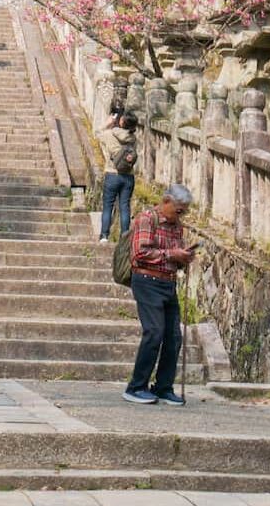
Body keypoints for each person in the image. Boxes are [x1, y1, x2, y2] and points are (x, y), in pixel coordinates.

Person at [123, 183, 195, 406]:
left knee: (174, 337)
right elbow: (141, 253)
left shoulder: (177, 227)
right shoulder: (147, 219)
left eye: (184, 210)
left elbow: (173, 256)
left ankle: (163, 387)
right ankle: (136, 386)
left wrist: (184, 257)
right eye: (178, 209)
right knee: (154, 332)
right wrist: (173, 254)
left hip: (168, 283)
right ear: (166, 202)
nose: (180, 214)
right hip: (147, 281)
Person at [98, 114, 137, 242]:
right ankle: (125, 237)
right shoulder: (133, 138)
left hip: (112, 174)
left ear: (121, 122)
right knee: (125, 207)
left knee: (108, 206)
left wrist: (108, 123)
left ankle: (104, 236)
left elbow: (97, 133)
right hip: (128, 176)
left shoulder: (110, 134)